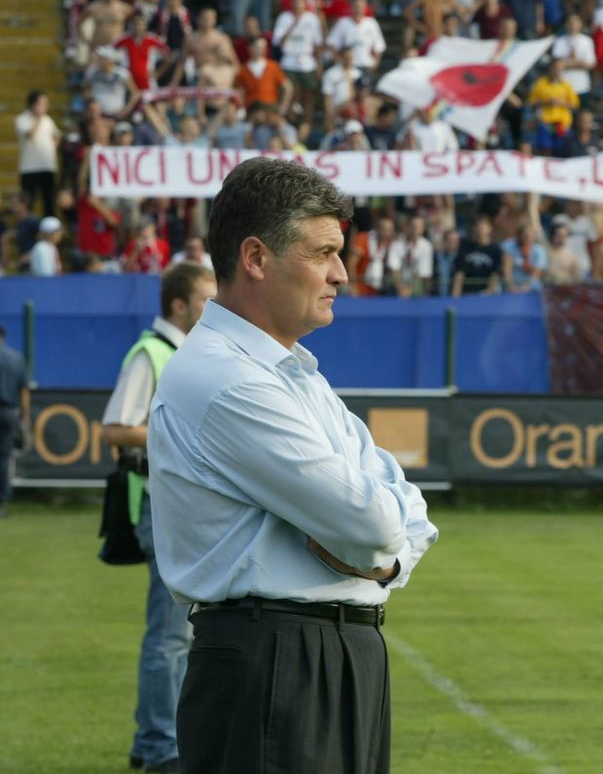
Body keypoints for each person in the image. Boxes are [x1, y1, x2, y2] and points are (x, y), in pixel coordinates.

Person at [146, 158, 438, 773]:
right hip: (277, 656)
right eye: (323, 253)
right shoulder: (227, 378)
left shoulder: (294, 372)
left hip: (328, 650)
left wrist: (387, 560)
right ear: (256, 257)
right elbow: (373, 522)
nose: (341, 273)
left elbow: (403, 508)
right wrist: (384, 541)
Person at [102, 262, 217, 773]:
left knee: (179, 635)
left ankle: (153, 740)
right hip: (158, 505)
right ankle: (157, 746)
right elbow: (115, 428)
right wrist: (187, 431)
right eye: (205, 298)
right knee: (171, 636)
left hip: (176, 507)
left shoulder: (181, 353)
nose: (213, 307)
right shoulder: (152, 352)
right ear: (178, 304)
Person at [15, 91, 61, 218]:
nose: (45, 106)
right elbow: (30, 134)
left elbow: (57, 135)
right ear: (33, 104)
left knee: (49, 202)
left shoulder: (48, 120)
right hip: (29, 168)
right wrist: (38, 118)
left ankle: (49, 226)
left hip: (47, 167)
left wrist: (52, 150)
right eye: (42, 103)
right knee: (28, 202)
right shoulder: (22, 119)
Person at [0, 326, 30, 520]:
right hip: (8, 412)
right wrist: (25, 418)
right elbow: (24, 391)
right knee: (4, 458)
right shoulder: (16, 358)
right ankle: (1, 502)